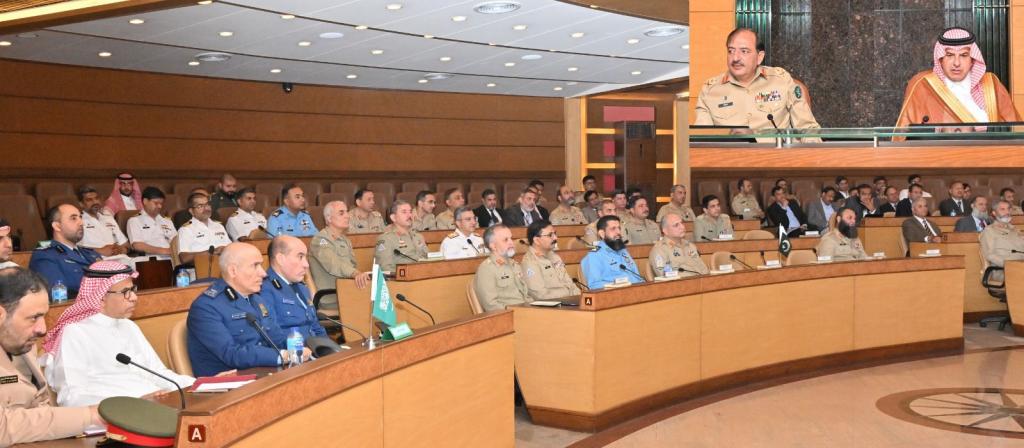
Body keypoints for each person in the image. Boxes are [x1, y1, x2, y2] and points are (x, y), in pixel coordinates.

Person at [43, 261, 195, 407]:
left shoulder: (129, 326)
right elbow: (72, 397)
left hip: (155, 407)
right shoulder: (75, 332)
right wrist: (133, 403)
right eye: (125, 292)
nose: (134, 298)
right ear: (101, 297)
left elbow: (158, 373)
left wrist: (198, 385)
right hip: (117, 416)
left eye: (132, 290)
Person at [0, 268, 103, 445]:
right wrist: (90, 416)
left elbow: (39, 403)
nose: (42, 329)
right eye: (34, 318)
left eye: (44, 316)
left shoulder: (23, 344)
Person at [187, 243, 309, 377]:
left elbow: (275, 337)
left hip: (264, 373)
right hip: (229, 386)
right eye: (255, 266)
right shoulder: (206, 307)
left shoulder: (257, 300)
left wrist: (298, 348)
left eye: (261, 265)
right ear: (233, 271)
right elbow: (232, 354)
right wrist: (283, 355)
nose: (263, 273)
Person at [694, 28, 820, 135]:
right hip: (730, 160)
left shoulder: (781, 81)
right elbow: (702, 140)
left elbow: (807, 129)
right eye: (731, 51)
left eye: (744, 51)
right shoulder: (709, 90)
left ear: (759, 57)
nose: (735, 58)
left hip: (776, 158)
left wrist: (815, 161)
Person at [895, 27, 1019, 130]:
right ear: (940, 59)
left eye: (964, 55)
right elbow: (903, 135)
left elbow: (1016, 130)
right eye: (949, 55)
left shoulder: (991, 83)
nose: (956, 63)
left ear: (972, 60)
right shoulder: (922, 85)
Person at [308, 201, 371, 314]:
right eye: (341, 213)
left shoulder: (345, 240)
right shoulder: (320, 240)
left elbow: (352, 265)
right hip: (332, 297)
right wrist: (355, 273)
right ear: (329, 219)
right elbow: (334, 265)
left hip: (348, 293)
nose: (347, 216)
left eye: (347, 212)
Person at [261, 236, 327, 340]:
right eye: (300, 257)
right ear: (280, 259)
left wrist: (331, 351)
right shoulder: (264, 289)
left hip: (316, 350)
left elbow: (316, 327)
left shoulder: (302, 288)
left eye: (305, 258)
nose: (306, 264)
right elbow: (272, 336)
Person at [30, 204, 101, 296]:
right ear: (57, 226)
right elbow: (58, 295)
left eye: (80, 217)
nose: (81, 222)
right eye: (73, 218)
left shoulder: (90, 253)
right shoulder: (45, 254)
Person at [472, 225, 529, 311]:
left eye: (511, 238)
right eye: (505, 240)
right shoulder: (487, 269)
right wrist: (519, 313)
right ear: (493, 246)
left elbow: (526, 295)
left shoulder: (515, 264)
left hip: (527, 311)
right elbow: (491, 305)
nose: (511, 242)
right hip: (510, 316)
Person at [520, 220, 580, 300]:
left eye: (555, 233)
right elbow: (540, 295)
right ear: (537, 240)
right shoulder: (530, 262)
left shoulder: (554, 256)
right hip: (549, 308)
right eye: (550, 235)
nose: (555, 237)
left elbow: (570, 284)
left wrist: (579, 297)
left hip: (568, 302)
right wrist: (568, 293)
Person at [580, 216, 644, 289]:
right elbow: (594, 285)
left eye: (619, 228)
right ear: (602, 234)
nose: (618, 232)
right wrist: (615, 286)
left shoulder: (623, 250)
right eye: (613, 229)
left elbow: (637, 276)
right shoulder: (594, 255)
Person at [176, 193, 231, 265]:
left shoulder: (219, 226)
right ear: (191, 211)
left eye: (207, 204)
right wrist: (211, 252)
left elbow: (231, 247)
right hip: (202, 267)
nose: (206, 208)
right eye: (200, 206)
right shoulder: (186, 229)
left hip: (226, 265)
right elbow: (184, 258)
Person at [375, 200, 428, 272]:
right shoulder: (386, 239)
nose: (409, 215)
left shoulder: (418, 236)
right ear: (393, 217)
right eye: (404, 212)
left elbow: (427, 258)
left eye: (410, 212)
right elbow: (385, 269)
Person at [648, 213, 708, 277]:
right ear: (665, 231)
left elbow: (704, 269)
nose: (682, 227)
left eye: (682, 223)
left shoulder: (690, 246)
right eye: (676, 225)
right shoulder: (660, 250)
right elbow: (665, 276)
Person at [77, 186, 129, 258]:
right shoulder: (77, 221)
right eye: (89, 200)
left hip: (121, 258)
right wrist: (99, 251)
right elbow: (73, 249)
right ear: (81, 204)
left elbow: (126, 245)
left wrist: (122, 249)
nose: (95, 202)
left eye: (97, 198)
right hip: (95, 260)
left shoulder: (108, 218)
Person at [126, 187, 176, 257]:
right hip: (151, 258)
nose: (159, 206)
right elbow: (137, 245)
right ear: (145, 201)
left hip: (172, 257)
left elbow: (176, 240)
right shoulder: (134, 221)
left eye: (161, 203)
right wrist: (163, 251)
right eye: (156, 203)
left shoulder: (167, 220)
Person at [980, 200, 1024, 272]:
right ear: (994, 213)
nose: (1007, 212)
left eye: (1008, 209)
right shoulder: (989, 231)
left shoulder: (1015, 230)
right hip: (1002, 269)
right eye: (1002, 209)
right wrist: (1011, 265)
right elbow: (990, 255)